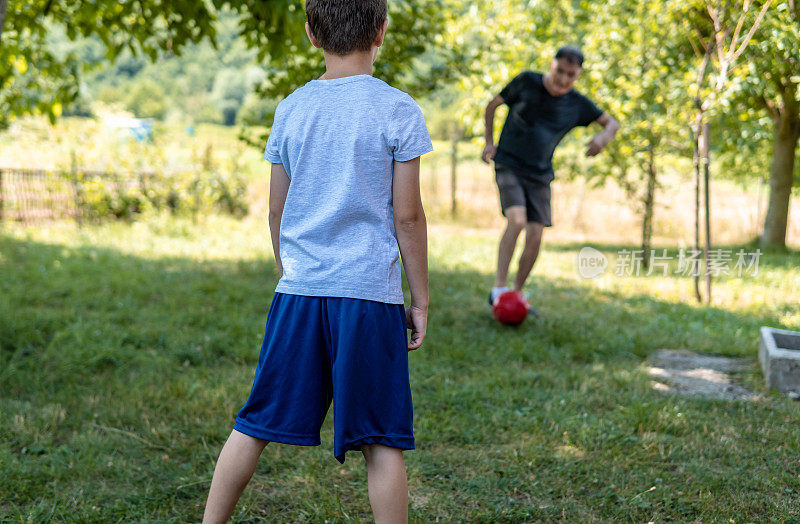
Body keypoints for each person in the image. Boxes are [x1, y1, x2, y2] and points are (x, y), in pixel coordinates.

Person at [202, 0, 432, 521]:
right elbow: (409, 216)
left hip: (300, 293)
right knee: (381, 439)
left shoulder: (292, 108)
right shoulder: (399, 109)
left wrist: (292, 271)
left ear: (311, 33)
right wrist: (419, 299)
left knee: (254, 423)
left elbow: (276, 208)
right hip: (370, 298)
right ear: (381, 30)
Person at [482, 46, 619, 314]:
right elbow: (492, 106)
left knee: (536, 233)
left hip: (541, 174)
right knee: (517, 220)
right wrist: (489, 142)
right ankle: (499, 288)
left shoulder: (577, 104)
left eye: (571, 75)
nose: (563, 79)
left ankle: (518, 294)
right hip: (508, 163)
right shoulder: (527, 81)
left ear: (578, 74)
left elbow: (612, 123)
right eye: (559, 71)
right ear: (551, 65)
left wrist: (602, 139)